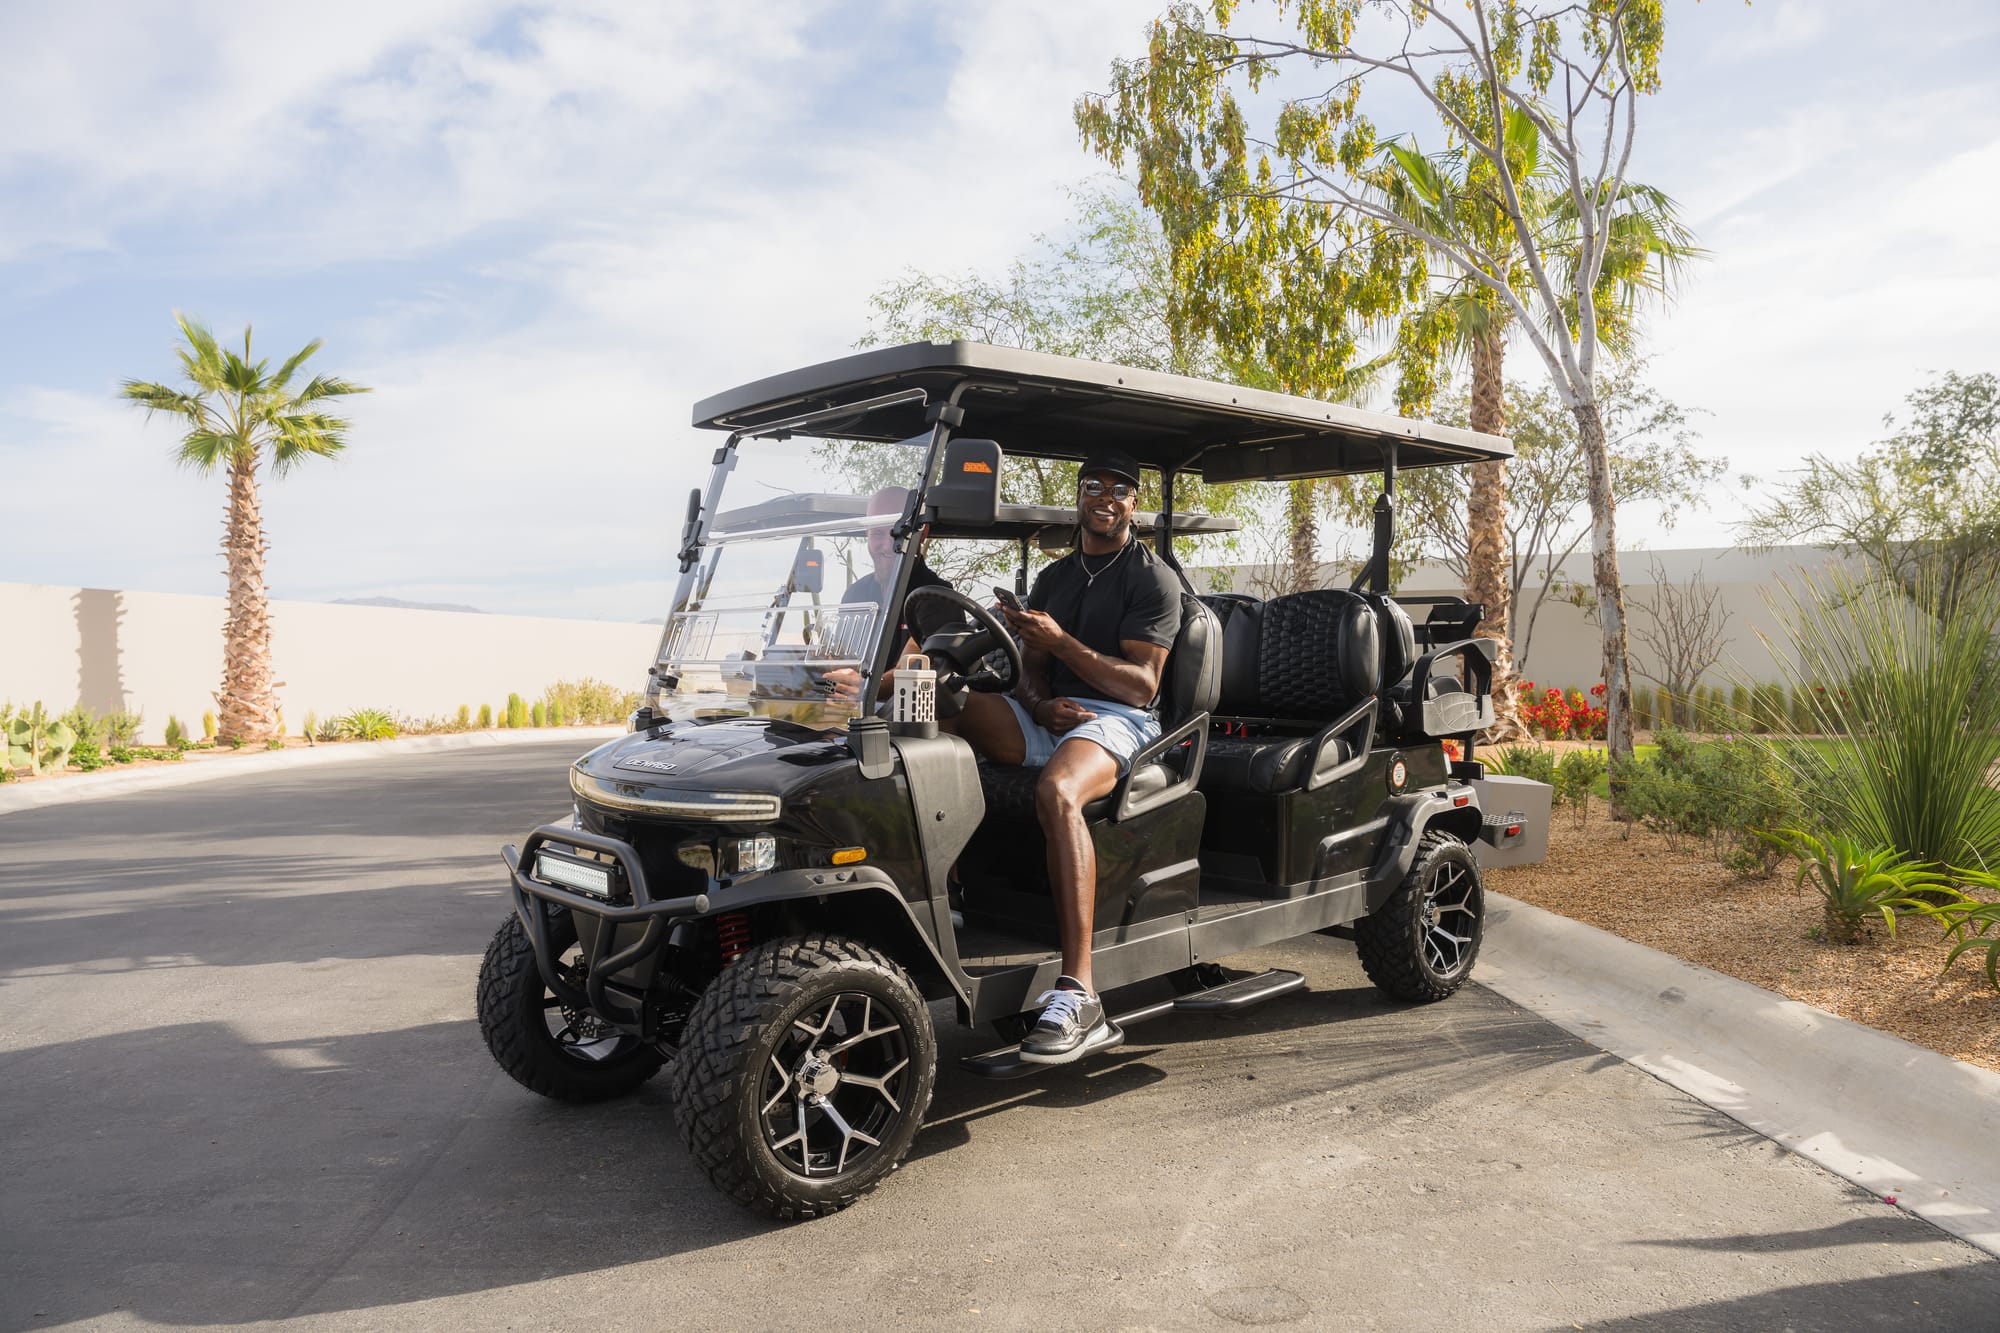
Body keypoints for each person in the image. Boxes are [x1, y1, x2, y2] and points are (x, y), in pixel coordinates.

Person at [946, 450, 1181, 1064]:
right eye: (1093, 485)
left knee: (1057, 791)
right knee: (940, 703)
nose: (1104, 497)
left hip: (1119, 721)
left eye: (1120, 489)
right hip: (1054, 716)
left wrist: (1062, 643)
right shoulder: (1056, 576)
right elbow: (1032, 673)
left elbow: (1142, 687)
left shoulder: (1151, 578)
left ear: (1135, 504)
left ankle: (1079, 994)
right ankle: (943, 899)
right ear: (1079, 496)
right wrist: (1039, 702)